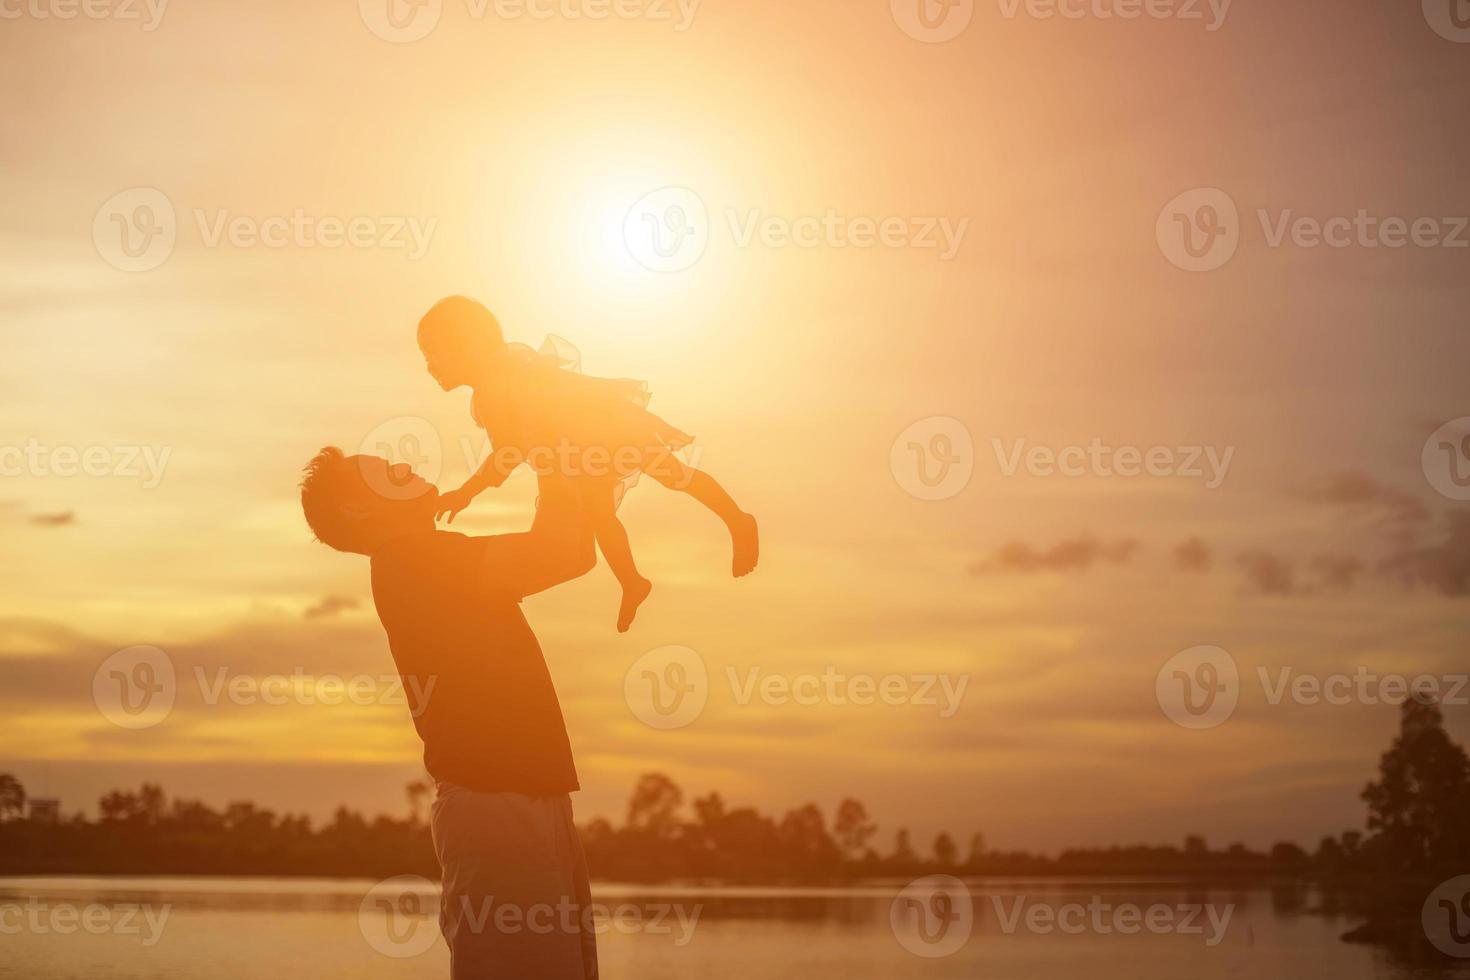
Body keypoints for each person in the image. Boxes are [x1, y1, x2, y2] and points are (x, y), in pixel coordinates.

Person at [300, 447, 599, 979]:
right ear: (359, 510)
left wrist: (569, 455)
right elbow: (561, 553)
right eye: (389, 473)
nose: (408, 469)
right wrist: (558, 449)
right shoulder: (415, 559)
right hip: (498, 809)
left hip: (526, 801)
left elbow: (572, 552)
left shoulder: (420, 559)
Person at [417, 295, 759, 632]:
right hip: (588, 444)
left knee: (664, 481)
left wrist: (466, 492)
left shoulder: (493, 389)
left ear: (464, 348)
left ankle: (732, 524)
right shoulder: (506, 373)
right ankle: (635, 580)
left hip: (599, 436)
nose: (429, 365)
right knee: (614, 504)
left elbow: (509, 452)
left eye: (433, 353)